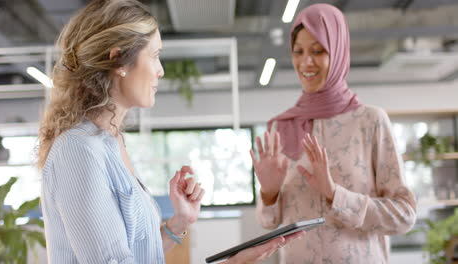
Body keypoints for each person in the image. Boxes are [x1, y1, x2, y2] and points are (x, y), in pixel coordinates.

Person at [37, 0, 304, 263]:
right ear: (118, 60)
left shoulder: (110, 143)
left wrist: (179, 222)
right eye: (154, 56)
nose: (161, 71)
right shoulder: (78, 150)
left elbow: (138, 253)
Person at [250, 3, 417, 264]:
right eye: (298, 51)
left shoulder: (370, 121)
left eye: (318, 51)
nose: (306, 62)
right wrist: (268, 193)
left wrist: (334, 194)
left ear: (338, 52)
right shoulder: (280, 128)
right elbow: (268, 221)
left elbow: (404, 215)